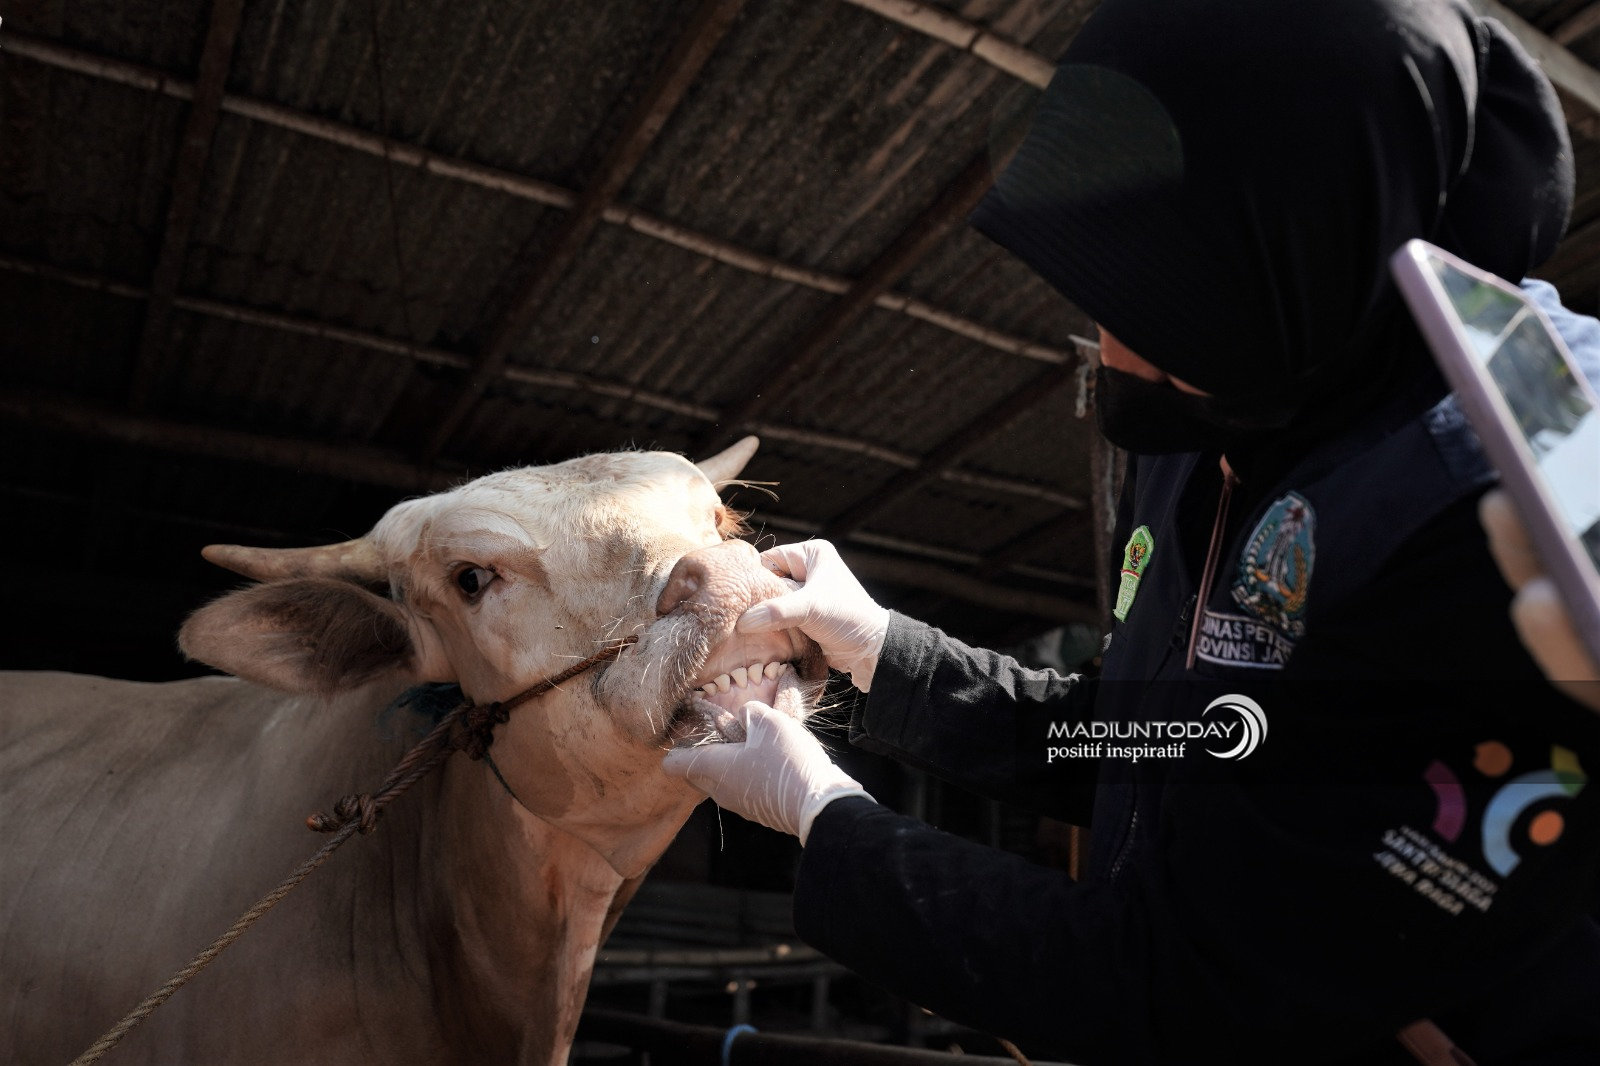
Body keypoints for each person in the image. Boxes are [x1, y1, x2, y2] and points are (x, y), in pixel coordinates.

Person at [664, 1, 1600, 1062]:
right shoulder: (1224, 415)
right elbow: (1173, 737)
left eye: (1166, 302)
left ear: (1304, 264)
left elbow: (1201, 992)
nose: (1112, 350)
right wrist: (890, 653)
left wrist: (825, 812)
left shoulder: (1506, 518)